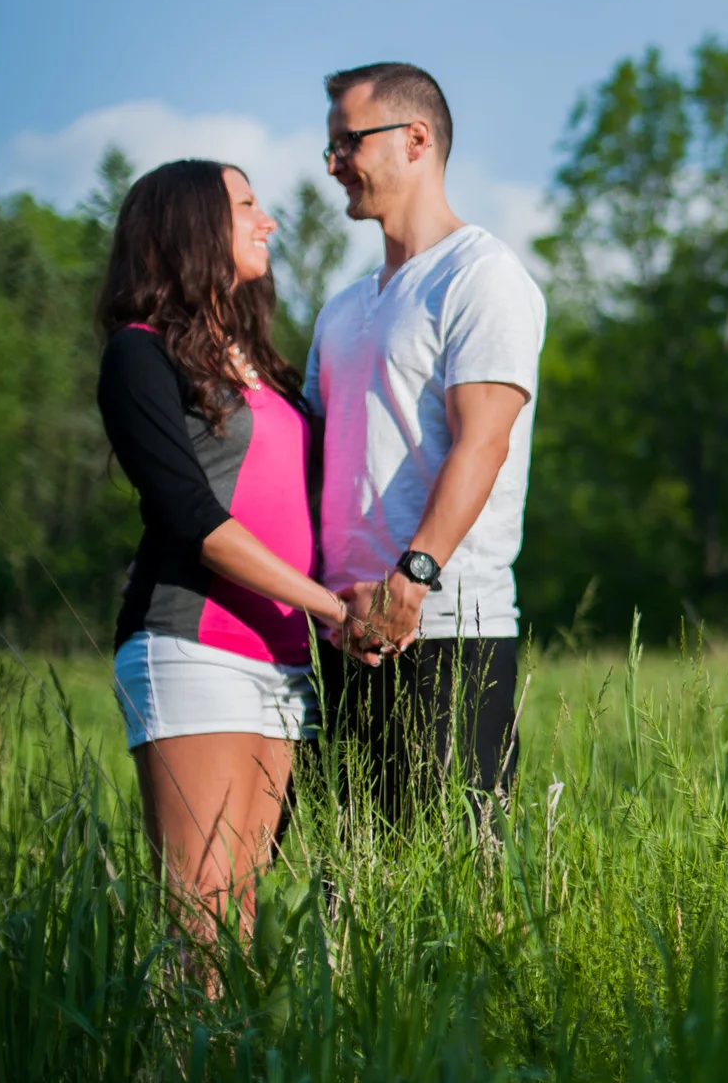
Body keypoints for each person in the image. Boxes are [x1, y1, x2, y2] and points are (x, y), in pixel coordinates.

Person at [96, 160, 378, 945]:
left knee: (241, 920)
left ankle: (233, 1074)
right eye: (248, 205)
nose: (268, 221)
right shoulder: (139, 354)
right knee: (203, 926)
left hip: (283, 662)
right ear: (192, 226)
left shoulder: (269, 368)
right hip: (193, 646)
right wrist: (333, 608)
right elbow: (195, 519)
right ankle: (176, 1072)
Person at [306, 61, 545, 823]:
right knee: (352, 883)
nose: (336, 164)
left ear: (415, 139)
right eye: (332, 148)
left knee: (457, 887)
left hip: (443, 629)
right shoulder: (342, 309)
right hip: (342, 628)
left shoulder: (481, 277)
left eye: (349, 142)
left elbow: (484, 443)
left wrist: (413, 578)